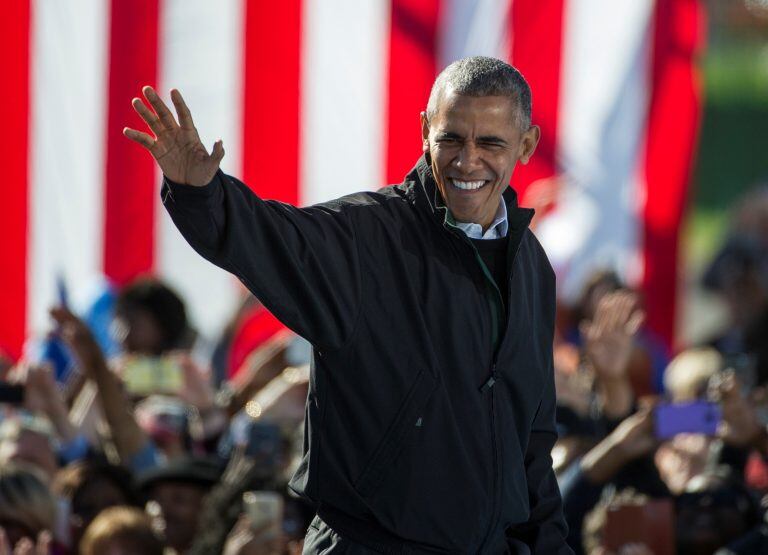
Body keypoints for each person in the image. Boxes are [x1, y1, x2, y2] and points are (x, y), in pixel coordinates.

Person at [124, 56, 571, 553]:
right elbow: (267, 238)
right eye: (451, 139)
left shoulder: (531, 266)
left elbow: (532, 440)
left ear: (526, 145)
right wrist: (201, 193)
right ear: (425, 131)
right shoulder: (365, 238)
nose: (467, 160)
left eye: (490, 142)